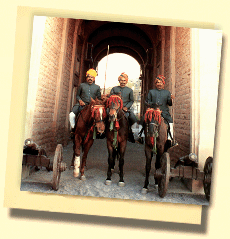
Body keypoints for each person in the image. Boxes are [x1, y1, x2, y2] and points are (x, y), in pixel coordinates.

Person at [139, 75, 178, 147]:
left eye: (160, 83)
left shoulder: (167, 92)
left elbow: (170, 104)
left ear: (163, 84)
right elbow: (146, 102)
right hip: (153, 111)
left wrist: (171, 99)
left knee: (170, 122)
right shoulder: (151, 92)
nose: (159, 84)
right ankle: (141, 135)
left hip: (164, 112)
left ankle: (170, 139)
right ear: (155, 84)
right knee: (143, 119)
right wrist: (153, 104)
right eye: (157, 82)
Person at [110, 72, 137, 143]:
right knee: (107, 114)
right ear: (119, 81)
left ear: (126, 81)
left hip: (125, 109)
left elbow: (131, 101)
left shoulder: (129, 90)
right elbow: (111, 98)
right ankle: (103, 131)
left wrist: (126, 107)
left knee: (132, 118)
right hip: (115, 108)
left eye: (124, 80)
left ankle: (130, 132)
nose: (123, 82)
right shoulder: (114, 89)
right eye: (121, 80)